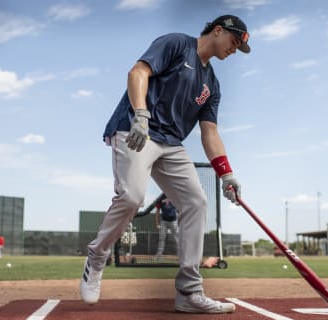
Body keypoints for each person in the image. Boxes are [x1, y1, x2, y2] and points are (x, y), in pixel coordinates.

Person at [79, 14, 250, 314]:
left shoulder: (212, 84)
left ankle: (189, 292)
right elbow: (138, 72)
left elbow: (209, 132)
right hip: (135, 130)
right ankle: (96, 256)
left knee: (197, 202)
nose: (234, 50)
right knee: (132, 197)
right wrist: (141, 114)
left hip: (171, 144)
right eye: (234, 42)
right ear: (218, 30)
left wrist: (227, 174)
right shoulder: (177, 44)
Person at [154, 196, 179, 260]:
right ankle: (159, 256)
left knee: (176, 238)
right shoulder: (161, 198)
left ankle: (180, 256)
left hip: (173, 221)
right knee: (161, 238)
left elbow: (180, 209)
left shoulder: (174, 195)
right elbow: (157, 210)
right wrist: (157, 223)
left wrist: (180, 221)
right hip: (164, 221)